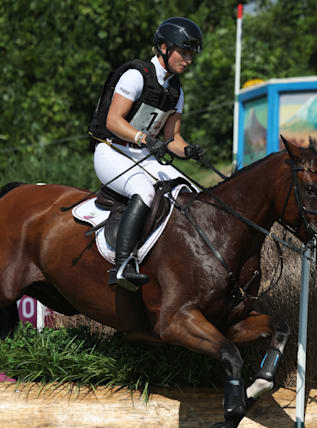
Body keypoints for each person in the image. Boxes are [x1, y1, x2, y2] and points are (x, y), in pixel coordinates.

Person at [88, 16, 206, 289]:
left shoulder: (176, 90)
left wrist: (189, 150)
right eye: (184, 52)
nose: (188, 60)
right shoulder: (136, 75)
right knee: (145, 191)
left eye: (191, 55)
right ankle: (122, 265)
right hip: (111, 151)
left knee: (191, 191)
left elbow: (172, 139)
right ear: (164, 48)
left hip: (143, 156)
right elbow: (113, 122)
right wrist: (143, 138)